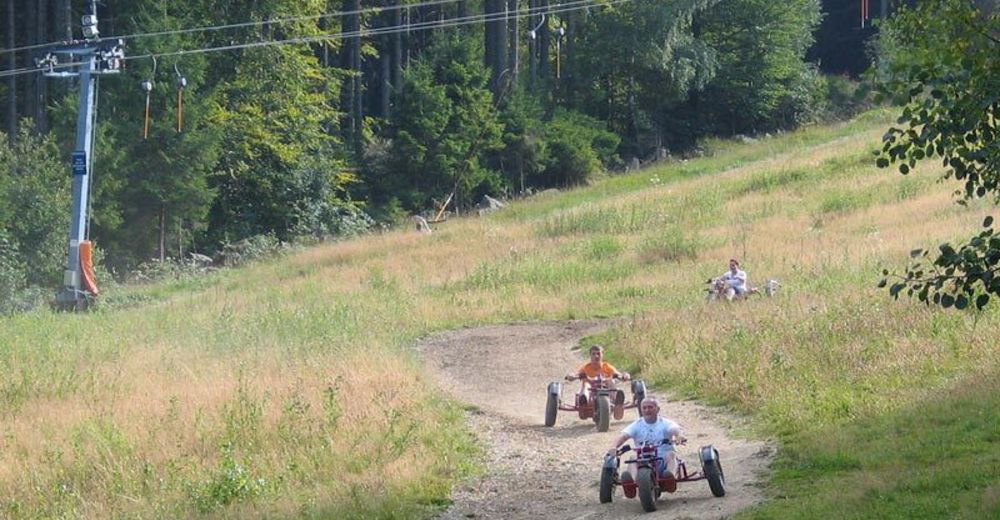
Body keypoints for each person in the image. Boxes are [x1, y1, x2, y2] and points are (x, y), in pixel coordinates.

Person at [606, 397, 685, 492]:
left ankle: (670, 479)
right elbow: (623, 436)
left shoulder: (665, 423)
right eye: (644, 408)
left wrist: (679, 436)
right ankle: (630, 483)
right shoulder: (637, 424)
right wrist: (613, 447)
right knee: (632, 458)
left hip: (663, 461)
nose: (647, 410)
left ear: (657, 409)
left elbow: (674, 429)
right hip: (643, 459)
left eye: (650, 407)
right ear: (641, 410)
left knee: (671, 454)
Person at [565, 345, 630, 405]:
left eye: (598, 353)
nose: (596, 356)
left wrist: (625, 376)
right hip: (591, 391)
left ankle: (616, 400)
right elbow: (576, 374)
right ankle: (584, 399)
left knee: (611, 381)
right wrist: (571, 376)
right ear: (590, 355)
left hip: (606, 389)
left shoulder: (607, 366)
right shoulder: (586, 367)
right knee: (586, 384)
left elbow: (619, 374)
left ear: (602, 355)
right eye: (593, 354)